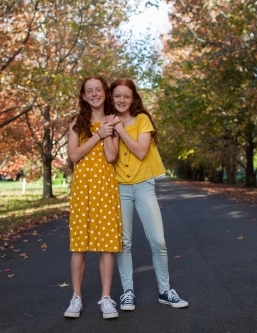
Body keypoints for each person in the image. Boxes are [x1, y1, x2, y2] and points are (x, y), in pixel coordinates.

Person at [108, 78, 188, 310]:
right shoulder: (108, 123)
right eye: (117, 96)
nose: (122, 100)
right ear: (111, 98)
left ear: (133, 99)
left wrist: (119, 129)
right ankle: (128, 292)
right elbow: (110, 156)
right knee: (124, 242)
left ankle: (165, 291)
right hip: (119, 187)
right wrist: (110, 130)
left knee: (158, 241)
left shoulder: (142, 120)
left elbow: (141, 151)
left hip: (143, 185)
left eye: (126, 96)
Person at [64, 75, 122, 319]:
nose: (95, 94)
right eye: (90, 90)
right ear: (84, 96)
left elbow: (111, 157)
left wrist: (107, 131)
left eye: (99, 89)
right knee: (80, 244)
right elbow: (74, 156)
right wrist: (98, 134)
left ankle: (106, 298)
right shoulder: (77, 123)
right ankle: (76, 298)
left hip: (106, 186)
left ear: (104, 93)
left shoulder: (114, 121)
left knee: (107, 244)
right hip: (83, 187)